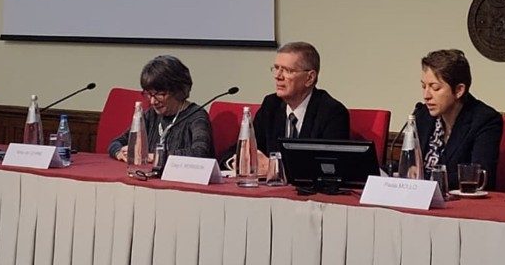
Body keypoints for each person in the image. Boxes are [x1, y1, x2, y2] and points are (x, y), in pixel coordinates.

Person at [227, 42, 350, 173]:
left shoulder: (332, 113)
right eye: (276, 68)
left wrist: (275, 168)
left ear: (309, 78)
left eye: (287, 70)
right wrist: (237, 161)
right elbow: (239, 150)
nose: (278, 76)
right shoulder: (271, 105)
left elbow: (329, 167)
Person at [414, 49, 503, 190]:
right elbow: (410, 163)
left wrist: (428, 180)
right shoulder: (422, 114)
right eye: (423, 86)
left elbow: (480, 176)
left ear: (459, 90)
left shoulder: (485, 120)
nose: (426, 96)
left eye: (435, 88)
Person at [109, 55, 214, 163]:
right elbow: (116, 142)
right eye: (149, 94)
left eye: (159, 94)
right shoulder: (151, 115)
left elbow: (200, 153)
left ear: (178, 90)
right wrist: (119, 152)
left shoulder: (197, 116)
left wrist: (154, 157)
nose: (152, 101)